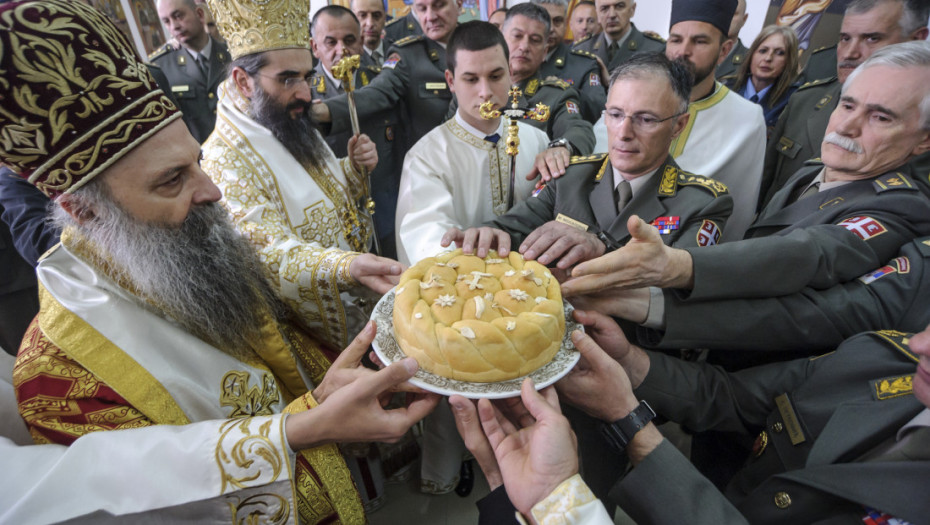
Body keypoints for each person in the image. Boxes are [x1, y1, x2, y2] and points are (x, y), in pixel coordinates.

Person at [1, 3, 439, 525]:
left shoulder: (188, 241)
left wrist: (320, 398)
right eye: (171, 180)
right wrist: (303, 425)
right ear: (84, 209)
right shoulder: (60, 377)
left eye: (196, 164)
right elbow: (148, 501)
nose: (210, 191)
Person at [562, 42, 930, 353]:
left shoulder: (903, 205)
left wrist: (680, 265)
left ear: (923, 140)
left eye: (880, 118)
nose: (847, 126)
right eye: (847, 105)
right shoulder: (815, 169)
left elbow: (807, 253)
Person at [453, 312, 930, 525]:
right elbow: (736, 396)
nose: (920, 345)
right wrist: (632, 362)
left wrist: (625, 421)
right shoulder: (883, 358)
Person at [394, 21, 553, 494]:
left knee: (524, 395)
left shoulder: (536, 141)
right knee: (455, 399)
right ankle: (444, 474)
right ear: (449, 81)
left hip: (523, 305)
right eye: (470, 78)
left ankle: (522, 474)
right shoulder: (428, 155)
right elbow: (425, 236)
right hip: (459, 302)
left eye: (497, 76)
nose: (486, 90)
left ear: (512, 77)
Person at [203, 0, 401, 351]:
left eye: (307, 76)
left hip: (361, 296)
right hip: (311, 337)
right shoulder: (223, 158)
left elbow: (318, 189)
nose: (305, 93)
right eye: (287, 79)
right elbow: (266, 252)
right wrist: (346, 267)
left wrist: (352, 169)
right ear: (243, 82)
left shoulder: (281, 115)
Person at [442, 53, 734, 273]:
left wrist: (602, 250)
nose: (624, 133)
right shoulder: (571, 177)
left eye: (646, 119)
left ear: (678, 126)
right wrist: (486, 236)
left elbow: (673, 297)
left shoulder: (702, 204)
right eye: (616, 114)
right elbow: (513, 229)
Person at [761, 0, 930, 209]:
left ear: (915, 39)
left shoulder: (920, 126)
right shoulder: (804, 100)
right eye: (845, 38)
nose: (850, 53)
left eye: (871, 38)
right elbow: (766, 186)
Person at [311, 5, 404, 259]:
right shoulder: (305, 95)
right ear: (314, 46)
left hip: (385, 214)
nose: (342, 50)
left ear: (362, 41)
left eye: (350, 40)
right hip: (332, 218)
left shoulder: (379, 83)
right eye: (330, 42)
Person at [313, 0, 462, 153]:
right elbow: (376, 94)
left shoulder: (481, 41)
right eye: (422, 8)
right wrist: (325, 110)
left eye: (439, 5)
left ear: (459, 3)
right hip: (434, 160)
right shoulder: (408, 55)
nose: (430, 16)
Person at [497, 3, 596, 163]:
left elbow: (579, 130)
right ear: (501, 40)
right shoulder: (474, 87)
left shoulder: (555, 96)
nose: (524, 46)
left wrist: (563, 147)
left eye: (535, 40)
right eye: (517, 36)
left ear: (544, 52)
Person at [151, 0, 230, 143]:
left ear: (199, 14)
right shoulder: (160, 68)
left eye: (178, 16)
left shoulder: (231, 54)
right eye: (167, 21)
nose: (174, 26)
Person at [533, 0, 607, 123]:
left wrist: (565, 91)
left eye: (557, 21)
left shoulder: (585, 64)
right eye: (544, 20)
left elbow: (598, 109)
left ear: (566, 24)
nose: (551, 28)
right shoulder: (514, 60)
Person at [726, 25, 800, 131]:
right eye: (763, 51)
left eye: (779, 53)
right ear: (751, 54)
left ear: (789, 61)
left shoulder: (792, 100)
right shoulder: (725, 87)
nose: (768, 58)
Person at [572, 0, 664, 73]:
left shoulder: (655, 50)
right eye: (604, 8)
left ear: (632, 9)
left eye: (619, 6)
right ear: (597, 14)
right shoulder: (581, 50)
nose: (612, 15)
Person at [714, 0, 748, 80]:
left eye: (733, 13)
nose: (727, 18)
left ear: (744, 19)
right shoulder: (693, 51)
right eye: (721, 12)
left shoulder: (750, 59)